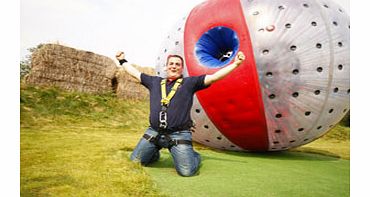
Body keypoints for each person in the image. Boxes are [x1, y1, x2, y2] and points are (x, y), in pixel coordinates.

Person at [115, 51, 245, 176]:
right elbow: (135, 73)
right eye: (171, 63)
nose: (174, 66)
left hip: (178, 134)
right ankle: (154, 152)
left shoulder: (190, 83)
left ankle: (193, 156)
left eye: (177, 64)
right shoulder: (154, 82)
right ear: (166, 67)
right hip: (154, 132)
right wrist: (122, 60)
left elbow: (214, 77)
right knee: (135, 161)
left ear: (181, 69)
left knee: (186, 172)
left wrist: (236, 64)